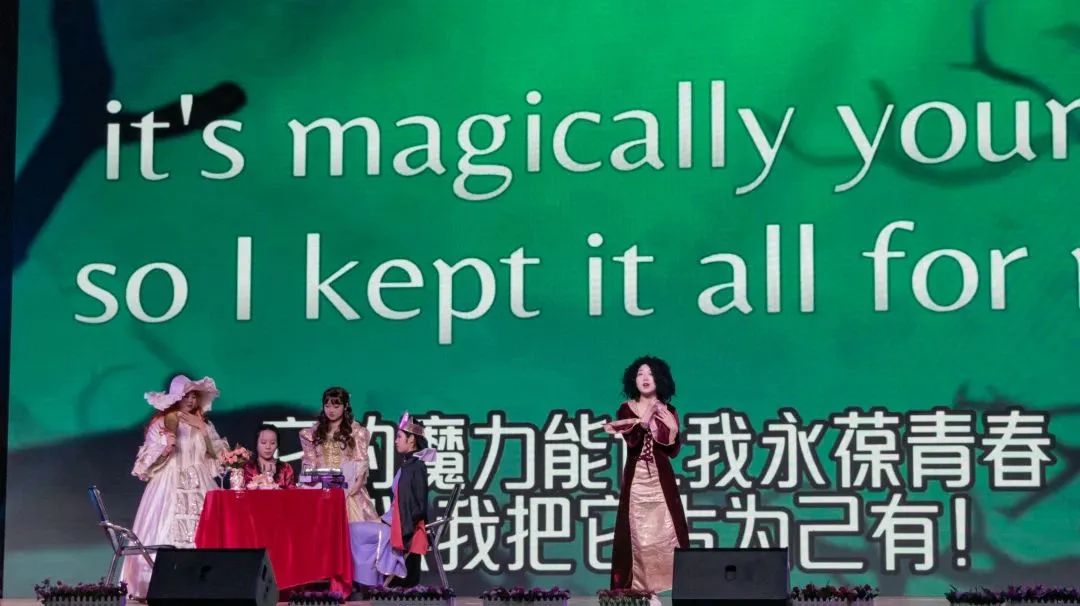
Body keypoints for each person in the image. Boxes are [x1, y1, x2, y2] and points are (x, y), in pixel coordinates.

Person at [122, 374, 229, 600]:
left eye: (194, 396)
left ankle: (204, 585)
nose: (190, 400)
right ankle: (160, 585)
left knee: (205, 531)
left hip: (199, 482)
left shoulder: (203, 424)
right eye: (186, 396)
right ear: (176, 397)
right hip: (168, 482)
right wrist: (165, 449)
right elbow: (145, 463)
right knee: (165, 528)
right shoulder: (162, 424)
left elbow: (220, 455)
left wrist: (203, 430)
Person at [604, 356, 689, 593]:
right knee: (635, 536)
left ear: (659, 379)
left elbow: (672, 451)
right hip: (637, 480)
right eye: (640, 373)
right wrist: (644, 419)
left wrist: (673, 429)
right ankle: (640, 592)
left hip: (661, 481)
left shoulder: (669, 410)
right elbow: (632, 442)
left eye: (650, 374)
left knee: (668, 532)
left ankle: (668, 587)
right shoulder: (626, 408)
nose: (645, 378)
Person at [349, 412, 436, 588]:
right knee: (354, 529)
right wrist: (383, 519)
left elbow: (417, 507)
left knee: (353, 531)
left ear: (411, 440)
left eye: (399, 437)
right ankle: (369, 580)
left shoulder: (416, 467)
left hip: (400, 529)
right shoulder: (409, 465)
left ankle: (370, 581)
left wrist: (396, 526)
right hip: (393, 523)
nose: (396, 441)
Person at [298, 387, 379, 521]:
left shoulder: (356, 432)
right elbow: (309, 463)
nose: (331, 410)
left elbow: (360, 462)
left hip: (348, 489)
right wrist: (308, 485)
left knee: (350, 527)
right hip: (321, 489)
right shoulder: (313, 433)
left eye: (336, 406)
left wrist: (353, 489)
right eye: (327, 406)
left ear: (345, 406)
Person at [242, 424, 296, 489]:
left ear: (277, 445)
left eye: (272, 443)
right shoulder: (247, 467)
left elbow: (293, 492)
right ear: (256, 443)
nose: (268, 447)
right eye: (263, 442)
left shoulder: (286, 468)